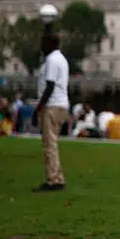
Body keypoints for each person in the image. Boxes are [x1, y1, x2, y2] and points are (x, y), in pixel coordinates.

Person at [33, 31, 70, 192]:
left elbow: (50, 86)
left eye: (43, 43)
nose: (41, 47)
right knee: (52, 143)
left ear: (50, 44)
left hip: (52, 105)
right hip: (61, 104)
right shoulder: (61, 59)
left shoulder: (51, 60)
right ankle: (58, 178)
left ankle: (53, 180)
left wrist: (38, 107)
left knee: (50, 144)